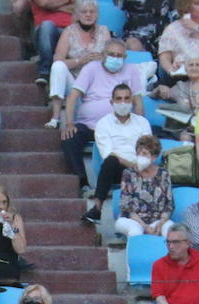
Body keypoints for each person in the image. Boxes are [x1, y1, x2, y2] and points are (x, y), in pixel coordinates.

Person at [59, 39, 146, 186]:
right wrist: (68, 123)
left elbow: (138, 101)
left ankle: (125, 184)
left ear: (125, 58)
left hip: (119, 126)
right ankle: (82, 182)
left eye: (119, 55)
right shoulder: (91, 68)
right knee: (69, 139)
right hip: (89, 125)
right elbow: (72, 97)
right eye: (111, 54)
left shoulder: (131, 70)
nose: (115, 58)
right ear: (103, 55)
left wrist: (139, 125)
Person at [81, 84, 150, 225]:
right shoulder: (103, 124)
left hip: (141, 166)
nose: (123, 103)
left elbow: (147, 150)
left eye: (126, 98)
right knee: (110, 161)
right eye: (118, 99)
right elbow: (107, 153)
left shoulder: (142, 123)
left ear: (132, 101)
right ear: (112, 102)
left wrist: (138, 165)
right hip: (117, 168)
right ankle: (97, 208)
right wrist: (131, 165)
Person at [115, 134, 174, 240]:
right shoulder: (128, 173)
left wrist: (161, 223)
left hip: (157, 219)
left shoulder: (164, 174)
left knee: (170, 230)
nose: (140, 156)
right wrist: (145, 226)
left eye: (144, 154)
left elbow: (168, 204)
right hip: (133, 219)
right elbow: (126, 206)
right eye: (138, 153)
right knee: (135, 232)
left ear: (154, 157)